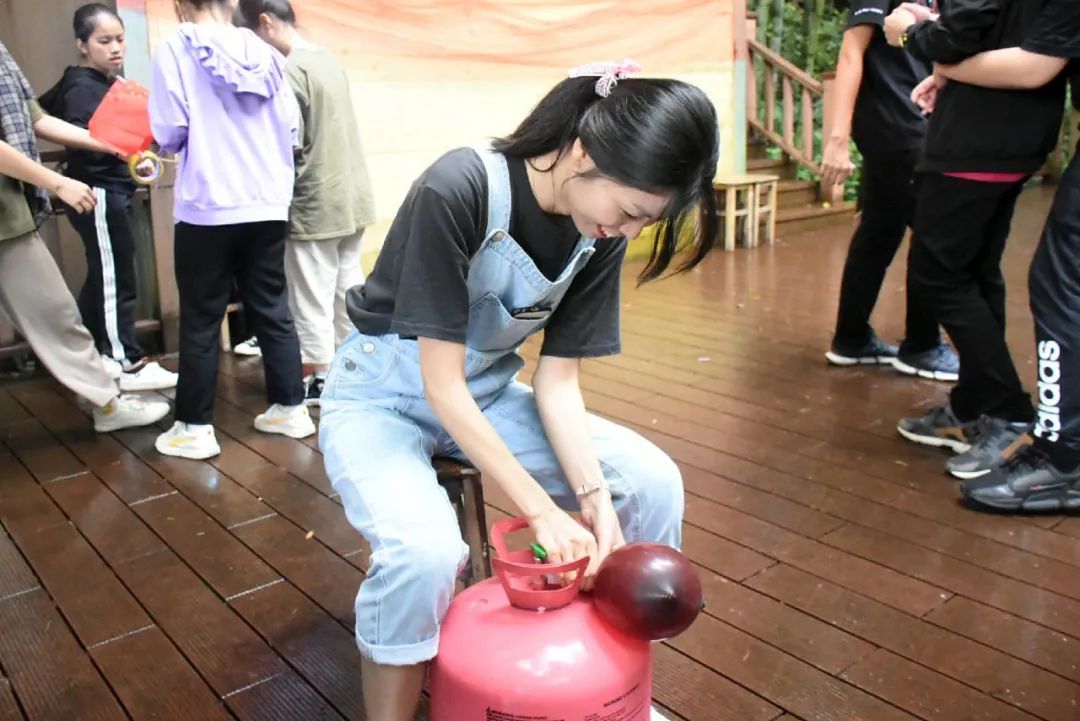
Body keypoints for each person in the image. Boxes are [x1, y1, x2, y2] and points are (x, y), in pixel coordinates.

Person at [318, 62, 719, 721]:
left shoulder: (598, 233)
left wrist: (596, 505)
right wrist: (541, 511)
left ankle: (608, 687)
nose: (627, 232)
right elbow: (440, 384)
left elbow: (557, 383)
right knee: (424, 553)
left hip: (485, 391)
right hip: (379, 396)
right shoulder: (460, 186)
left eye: (643, 223)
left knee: (649, 483)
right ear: (584, 151)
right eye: (629, 212)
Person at [885, 0, 1067, 480]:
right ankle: (974, 403)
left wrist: (909, 33)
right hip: (1012, 137)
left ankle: (1007, 411)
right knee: (975, 274)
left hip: (977, 140)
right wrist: (944, 58)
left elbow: (960, 31)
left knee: (938, 277)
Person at [149, 0, 314, 459]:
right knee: (273, 305)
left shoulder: (175, 48)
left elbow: (170, 129)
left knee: (202, 315)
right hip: (268, 200)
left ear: (181, 3)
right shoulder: (265, 51)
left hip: (208, 204)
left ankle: (194, 428)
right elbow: (293, 129)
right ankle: (290, 407)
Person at [0, 40, 169, 433]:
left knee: (57, 313)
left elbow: (35, 118)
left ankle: (106, 402)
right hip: (7, 221)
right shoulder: (77, 83)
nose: (116, 47)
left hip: (9, 216)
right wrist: (57, 182)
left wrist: (110, 143)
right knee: (56, 314)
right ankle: (107, 403)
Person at [235, 0, 376, 406]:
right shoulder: (328, 60)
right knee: (347, 289)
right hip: (351, 196)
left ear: (265, 23)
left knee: (311, 296)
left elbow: (287, 141)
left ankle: (321, 378)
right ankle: (355, 371)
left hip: (315, 201)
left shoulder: (289, 70)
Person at [38, 3, 178, 393]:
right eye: (104, 41)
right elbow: (80, 134)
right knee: (117, 276)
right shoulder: (82, 86)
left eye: (119, 39)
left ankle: (87, 351)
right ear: (82, 44)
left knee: (106, 274)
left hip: (112, 190)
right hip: (97, 192)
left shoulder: (105, 82)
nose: (116, 48)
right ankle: (125, 360)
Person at [822, 0, 956, 381]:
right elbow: (851, 52)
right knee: (933, 233)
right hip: (898, 124)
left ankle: (851, 338)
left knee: (880, 231)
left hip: (912, 120)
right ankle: (922, 345)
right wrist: (838, 138)